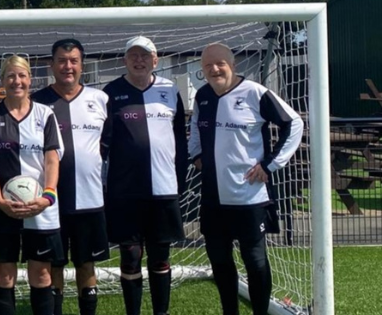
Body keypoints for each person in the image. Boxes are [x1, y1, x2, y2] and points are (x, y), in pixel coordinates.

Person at [189, 43, 303, 315]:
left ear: (233, 65)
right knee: (219, 260)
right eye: (208, 65)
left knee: (255, 261)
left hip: (249, 196)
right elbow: (194, 128)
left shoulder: (255, 93)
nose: (214, 69)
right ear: (202, 70)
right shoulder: (203, 96)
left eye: (220, 64)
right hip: (213, 197)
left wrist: (270, 164)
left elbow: (295, 123)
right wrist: (195, 155)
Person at [100, 36, 187, 315]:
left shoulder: (171, 90)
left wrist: (181, 180)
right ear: (125, 60)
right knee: (131, 257)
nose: (139, 61)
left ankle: (161, 312)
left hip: (163, 189)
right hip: (124, 191)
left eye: (145, 56)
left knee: (160, 257)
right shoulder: (110, 93)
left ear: (155, 60)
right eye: (133, 56)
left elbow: (181, 143)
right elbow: (102, 143)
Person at [0, 55, 64, 315]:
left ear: (30, 79)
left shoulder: (45, 114)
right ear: (3, 80)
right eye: (11, 76)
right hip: (2, 207)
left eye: (22, 76)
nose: (17, 81)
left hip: (41, 207)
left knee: (41, 273)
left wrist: (47, 196)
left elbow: (51, 159)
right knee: (4, 275)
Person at [31, 38, 110, 315]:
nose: (68, 66)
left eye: (74, 61)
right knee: (54, 264)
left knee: (86, 264)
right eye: (62, 61)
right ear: (51, 64)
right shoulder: (37, 101)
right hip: (49, 201)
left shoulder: (100, 99)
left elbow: (108, 144)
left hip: (90, 200)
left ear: (82, 65)